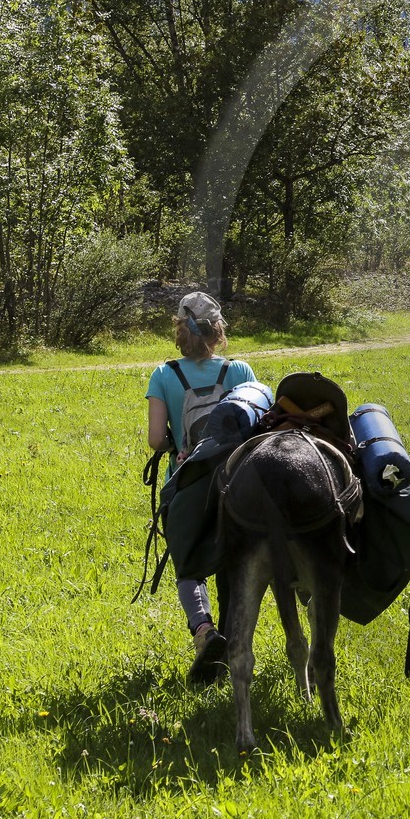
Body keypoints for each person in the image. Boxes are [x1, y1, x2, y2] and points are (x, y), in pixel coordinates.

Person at [145, 292, 259, 682]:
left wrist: (179, 445)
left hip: (186, 482)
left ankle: (204, 631)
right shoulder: (240, 371)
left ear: (179, 330)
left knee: (189, 565)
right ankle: (239, 640)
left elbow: (155, 439)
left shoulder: (163, 375)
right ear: (218, 332)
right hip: (238, 481)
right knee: (238, 562)